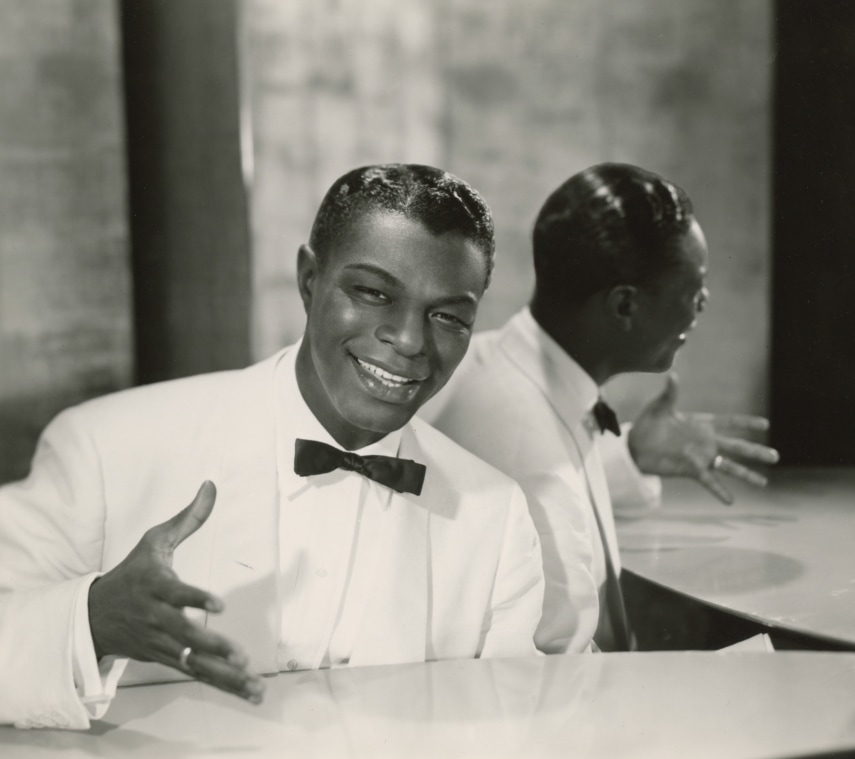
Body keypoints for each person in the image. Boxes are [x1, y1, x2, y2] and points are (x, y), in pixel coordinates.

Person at [0, 164, 545, 730]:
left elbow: (506, 722)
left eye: (447, 316)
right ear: (310, 280)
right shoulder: (103, 448)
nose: (408, 341)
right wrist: (90, 622)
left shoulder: (496, 516)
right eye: (374, 293)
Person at [422, 163, 779, 654]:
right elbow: (557, 671)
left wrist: (629, 452)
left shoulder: (502, 363)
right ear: (625, 307)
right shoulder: (528, 451)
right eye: (692, 288)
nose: (703, 302)